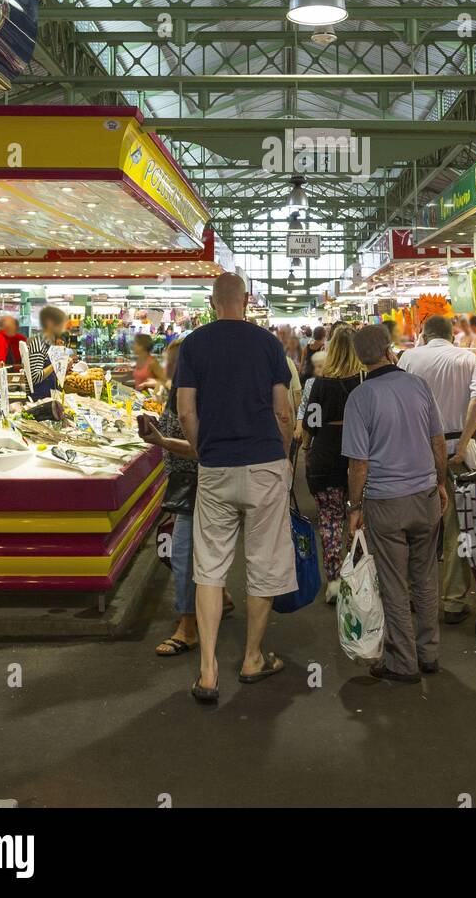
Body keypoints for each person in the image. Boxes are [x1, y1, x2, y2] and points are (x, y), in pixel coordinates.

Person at [175, 272, 296, 704]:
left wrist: (203, 448)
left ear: (212, 302)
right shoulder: (267, 344)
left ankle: (207, 671)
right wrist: (282, 455)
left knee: (210, 566)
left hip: (216, 467)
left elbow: (186, 411)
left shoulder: (194, 344)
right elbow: (284, 412)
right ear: (247, 300)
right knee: (263, 561)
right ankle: (252, 659)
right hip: (264, 462)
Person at [342, 323, 448, 682]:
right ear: (389, 350)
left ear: (360, 359)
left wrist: (354, 507)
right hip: (425, 497)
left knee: (394, 583)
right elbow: (437, 442)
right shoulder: (418, 385)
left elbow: (359, 464)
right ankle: (429, 653)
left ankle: (403, 662)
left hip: (385, 503)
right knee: (426, 578)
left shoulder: (360, 397)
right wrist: (442, 482)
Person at [141, 340, 233, 657]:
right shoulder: (182, 392)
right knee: (202, 553)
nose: (168, 366)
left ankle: (188, 628)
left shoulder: (197, 396)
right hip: (190, 485)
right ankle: (219, 596)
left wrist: (161, 440)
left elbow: (201, 448)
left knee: (183, 555)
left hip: (199, 485)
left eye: (173, 360)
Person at [399, 315, 476, 625]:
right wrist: (464, 442)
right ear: (453, 335)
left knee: (416, 526)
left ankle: (410, 593)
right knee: (457, 529)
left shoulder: (408, 357)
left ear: (424, 333)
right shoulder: (467, 358)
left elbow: (397, 400)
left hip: (416, 453)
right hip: (457, 453)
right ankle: (453, 600)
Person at [300, 327, 362, 603]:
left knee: (329, 519)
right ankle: (358, 576)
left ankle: (334, 581)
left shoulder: (321, 384)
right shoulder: (365, 381)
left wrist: (305, 449)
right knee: (360, 518)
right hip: (360, 456)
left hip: (325, 455)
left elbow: (310, 424)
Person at [27, 305, 69, 400]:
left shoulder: (49, 344)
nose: (62, 328)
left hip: (49, 397)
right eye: (61, 324)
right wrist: (56, 363)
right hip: (39, 400)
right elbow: (35, 377)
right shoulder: (38, 345)